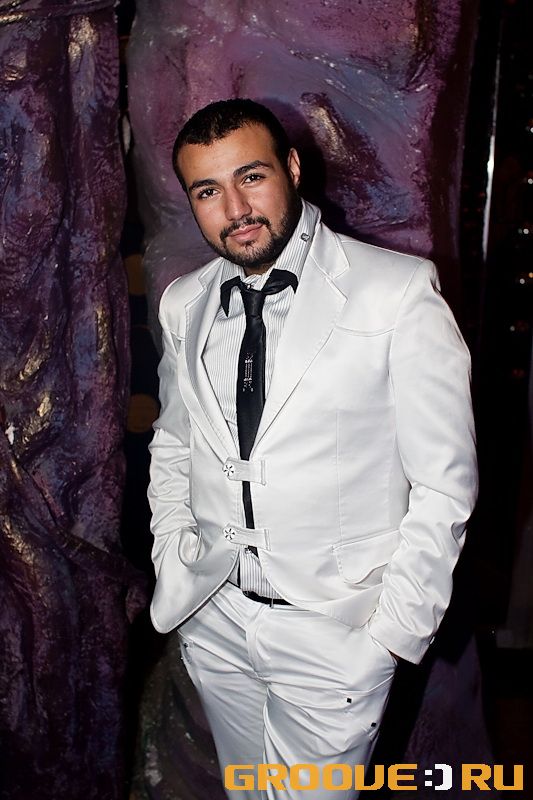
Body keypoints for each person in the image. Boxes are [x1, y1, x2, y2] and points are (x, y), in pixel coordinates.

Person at [147, 98, 478, 799]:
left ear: (292, 168)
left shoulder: (395, 292)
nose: (235, 208)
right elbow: (174, 445)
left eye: (252, 176)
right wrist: (174, 556)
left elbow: (445, 485)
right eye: (208, 191)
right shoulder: (183, 303)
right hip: (216, 617)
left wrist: (389, 635)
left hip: (335, 633)